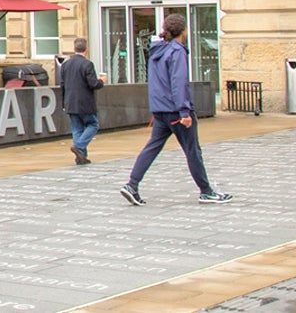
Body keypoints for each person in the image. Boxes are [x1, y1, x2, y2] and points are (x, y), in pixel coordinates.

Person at [119, 13, 232, 206]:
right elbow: (178, 83)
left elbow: (155, 83)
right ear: (184, 31)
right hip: (175, 111)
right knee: (192, 150)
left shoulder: (157, 50)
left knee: (152, 147)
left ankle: (132, 184)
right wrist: (184, 112)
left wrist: (157, 108)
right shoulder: (177, 51)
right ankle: (206, 191)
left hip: (160, 110)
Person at [59, 37, 105, 165]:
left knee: (77, 129)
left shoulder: (65, 65)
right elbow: (93, 84)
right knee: (93, 125)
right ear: (86, 49)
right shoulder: (87, 64)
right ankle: (79, 147)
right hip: (85, 103)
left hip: (70, 102)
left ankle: (81, 157)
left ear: (74, 49)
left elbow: (62, 85)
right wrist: (102, 81)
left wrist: (63, 103)